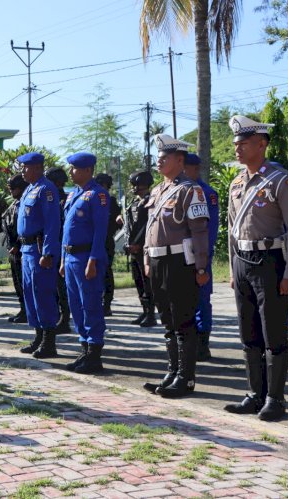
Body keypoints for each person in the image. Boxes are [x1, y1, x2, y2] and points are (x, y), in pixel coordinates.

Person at [224, 115, 288, 421]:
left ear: (262, 144)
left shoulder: (282, 180)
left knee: (274, 333)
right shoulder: (237, 183)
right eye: (235, 144)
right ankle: (254, 394)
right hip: (242, 262)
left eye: (243, 143)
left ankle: (275, 399)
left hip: (270, 262)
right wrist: (233, 269)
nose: (238, 149)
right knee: (249, 333)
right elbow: (232, 228)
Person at [142, 134, 210, 399]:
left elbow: (199, 231)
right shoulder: (159, 190)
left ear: (179, 160)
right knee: (167, 320)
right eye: (157, 157)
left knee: (183, 320)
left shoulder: (190, 190)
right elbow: (150, 228)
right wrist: (148, 258)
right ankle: (172, 372)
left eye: (163, 157)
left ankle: (186, 378)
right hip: (158, 260)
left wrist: (202, 267)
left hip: (180, 261)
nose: (158, 162)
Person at [60, 153, 110, 373]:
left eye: (74, 169)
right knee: (76, 305)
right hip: (70, 258)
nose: (70, 173)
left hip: (86, 257)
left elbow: (100, 232)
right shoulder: (74, 195)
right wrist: (62, 259)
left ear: (87, 170)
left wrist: (94, 259)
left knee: (90, 304)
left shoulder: (98, 195)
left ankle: (94, 354)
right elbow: (66, 231)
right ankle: (84, 348)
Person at [16, 152, 61, 358]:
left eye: (26, 167)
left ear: (37, 167)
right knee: (30, 294)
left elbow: (52, 224)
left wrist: (48, 252)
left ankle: (49, 342)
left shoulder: (46, 189)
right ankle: (38, 336)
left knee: (42, 293)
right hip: (26, 249)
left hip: (39, 248)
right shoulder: (29, 189)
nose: (23, 171)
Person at [184, 153, 219, 361]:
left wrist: (203, 259)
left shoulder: (207, 193)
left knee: (201, 300)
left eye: (185, 167)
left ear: (195, 169)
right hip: (181, 256)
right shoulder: (179, 190)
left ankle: (202, 344)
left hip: (200, 255)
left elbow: (210, 230)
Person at [124, 170, 157, 327]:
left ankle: (151, 314)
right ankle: (144, 311)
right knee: (138, 280)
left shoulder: (151, 201)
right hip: (133, 247)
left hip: (143, 247)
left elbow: (147, 226)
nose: (133, 188)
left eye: (136, 185)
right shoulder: (134, 202)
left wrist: (138, 243)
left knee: (146, 282)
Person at [45, 167, 71, 335]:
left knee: (62, 287)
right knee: (52, 286)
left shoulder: (65, 200)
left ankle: (64, 318)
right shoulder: (50, 198)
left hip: (62, 248)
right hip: (51, 247)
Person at [2, 174, 29, 324]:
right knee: (18, 283)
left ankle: (27, 311)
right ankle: (23, 309)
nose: (11, 190)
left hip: (22, 249)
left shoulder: (25, 204)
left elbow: (25, 228)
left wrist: (17, 246)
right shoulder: (14, 204)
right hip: (13, 249)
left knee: (25, 284)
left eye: (14, 188)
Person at [94, 173, 122, 316]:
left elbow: (116, 223)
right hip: (93, 241)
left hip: (106, 241)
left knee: (106, 273)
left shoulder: (110, 201)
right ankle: (97, 302)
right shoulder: (92, 199)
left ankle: (107, 303)